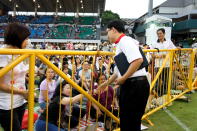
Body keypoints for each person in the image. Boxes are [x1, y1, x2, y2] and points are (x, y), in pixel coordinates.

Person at [98, 20, 150, 131]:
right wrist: (107, 83)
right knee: (129, 121)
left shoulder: (125, 41)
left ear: (113, 30)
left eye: (107, 32)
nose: (107, 35)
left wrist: (124, 78)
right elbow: (118, 71)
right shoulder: (122, 43)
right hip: (134, 84)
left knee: (130, 121)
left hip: (135, 85)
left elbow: (137, 60)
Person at [0, 23, 30, 131]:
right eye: (26, 38)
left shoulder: (18, 53)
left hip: (19, 101)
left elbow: (16, 75)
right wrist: (22, 92)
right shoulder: (3, 54)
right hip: (6, 104)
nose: (27, 41)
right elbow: (1, 84)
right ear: (17, 38)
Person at [150, 28, 177, 96]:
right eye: (158, 34)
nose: (159, 35)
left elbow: (174, 50)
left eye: (160, 33)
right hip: (158, 65)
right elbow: (151, 53)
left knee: (167, 81)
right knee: (158, 80)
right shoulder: (154, 43)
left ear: (164, 34)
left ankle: (162, 95)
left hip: (167, 65)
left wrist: (174, 63)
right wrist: (159, 56)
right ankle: (156, 93)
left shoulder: (168, 41)